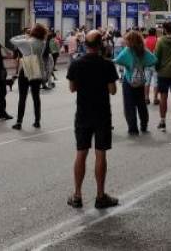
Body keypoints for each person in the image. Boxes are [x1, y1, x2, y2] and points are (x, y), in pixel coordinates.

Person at [66, 31, 119, 209]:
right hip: (102, 113)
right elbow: (112, 90)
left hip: (83, 113)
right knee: (100, 153)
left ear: (85, 45)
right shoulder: (107, 64)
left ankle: (77, 195)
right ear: (100, 45)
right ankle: (100, 195)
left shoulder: (76, 63)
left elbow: (72, 88)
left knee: (81, 152)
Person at [113, 30, 157, 135]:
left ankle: (133, 128)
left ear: (131, 41)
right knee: (141, 104)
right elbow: (154, 60)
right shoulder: (143, 51)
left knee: (129, 105)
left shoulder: (127, 51)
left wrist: (128, 65)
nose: (125, 41)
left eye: (127, 40)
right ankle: (144, 125)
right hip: (140, 82)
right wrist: (143, 65)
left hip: (129, 81)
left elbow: (117, 60)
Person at [10, 24, 51, 130]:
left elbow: (12, 40)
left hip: (26, 70)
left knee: (22, 98)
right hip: (37, 70)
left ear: (33, 31)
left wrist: (24, 35)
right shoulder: (43, 42)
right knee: (36, 97)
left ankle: (19, 122)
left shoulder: (26, 42)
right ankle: (37, 121)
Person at [144, 27, 160, 103]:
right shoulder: (158, 40)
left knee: (147, 81)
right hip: (155, 63)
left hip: (147, 63)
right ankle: (155, 98)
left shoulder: (145, 41)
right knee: (156, 82)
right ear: (155, 33)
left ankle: (146, 98)